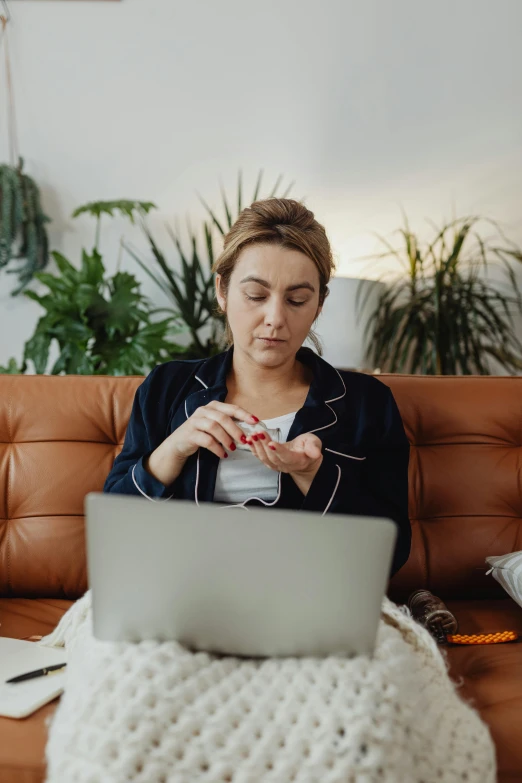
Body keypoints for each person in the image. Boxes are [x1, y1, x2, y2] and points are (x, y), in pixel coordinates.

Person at [103, 197, 411, 577]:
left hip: (307, 596)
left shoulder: (367, 404)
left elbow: (392, 550)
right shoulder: (167, 388)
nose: (275, 318)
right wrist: (174, 448)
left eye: (297, 299)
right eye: (256, 296)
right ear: (223, 290)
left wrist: (311, 473)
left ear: (319, 304)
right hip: (184, 591)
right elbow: (113, 525)